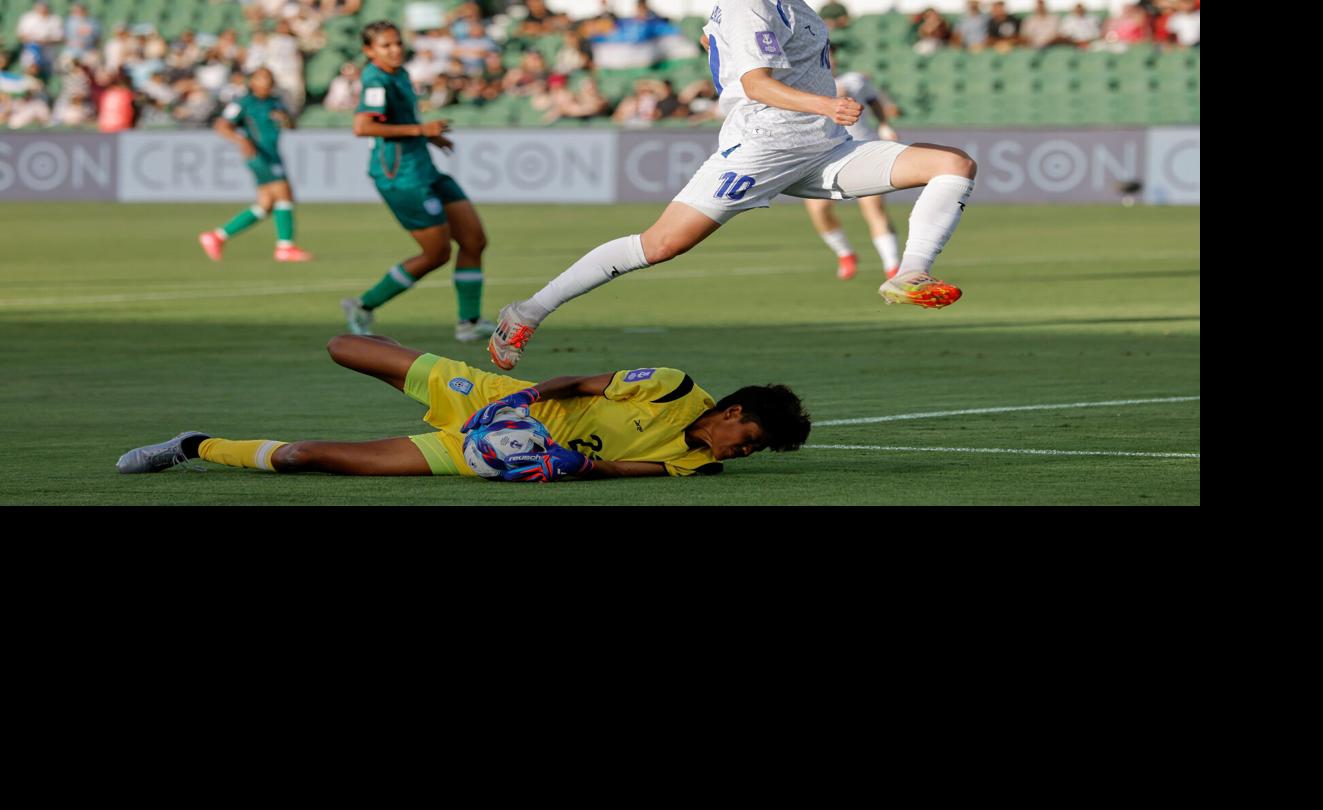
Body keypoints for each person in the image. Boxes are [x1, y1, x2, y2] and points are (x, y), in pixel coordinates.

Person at [486, 0, 977, 371]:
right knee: (659, 245)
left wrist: (717, 43)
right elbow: (757, 83)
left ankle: (908, 274)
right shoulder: (750, 4)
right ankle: (526, 311)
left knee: (952, 164)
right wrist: (826, 105)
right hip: (763, 148)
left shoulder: (787, 5)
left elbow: (715, 40)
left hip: (823, 149)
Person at [116, 334, 811, 481]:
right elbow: (577, 381)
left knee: (305, 460)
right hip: (493, 402)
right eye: (747, 438)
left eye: (751, 451)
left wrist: (562, 467)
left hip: (482, 454)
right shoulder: (669, 385)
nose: (740, 451)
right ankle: (414, 367)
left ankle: (192, 445)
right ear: (731, 411)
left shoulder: (690, 464)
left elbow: (613, 476)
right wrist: (524, 396)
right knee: (343, 348)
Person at [342, 21, 496, 344]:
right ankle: (362, 304)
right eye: (385, 46)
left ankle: (468, 322)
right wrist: (421, 131)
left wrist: (430, 139)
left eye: (397, 43)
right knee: (437, 253)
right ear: (369, 51)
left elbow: (402, 122)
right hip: (400, 177)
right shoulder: (375, 79)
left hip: (424, 168)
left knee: (474, 240)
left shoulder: (399, 73)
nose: (395, 49)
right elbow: (362, 127)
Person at [198, 69, 311, 263]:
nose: (266, 82)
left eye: (269, 78)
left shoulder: (276, 102)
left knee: (266, 205)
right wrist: (241, 141)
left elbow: (291, 125)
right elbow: (222, 125)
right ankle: (285, 247)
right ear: (252, 82)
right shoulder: (243, 103)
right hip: (258, 154)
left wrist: (286, 120)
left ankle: (217, 236)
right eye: (262, 78)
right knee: (284, 193)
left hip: (273, 154)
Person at [804, 70, 901, 280]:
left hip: (862, 150)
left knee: (874, 208)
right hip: (824, 154)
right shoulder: (802, 81)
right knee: (819, 210)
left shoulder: (854, 80)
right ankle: (845, 254)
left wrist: (884, 125)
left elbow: (874, 102)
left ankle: (893, 268)